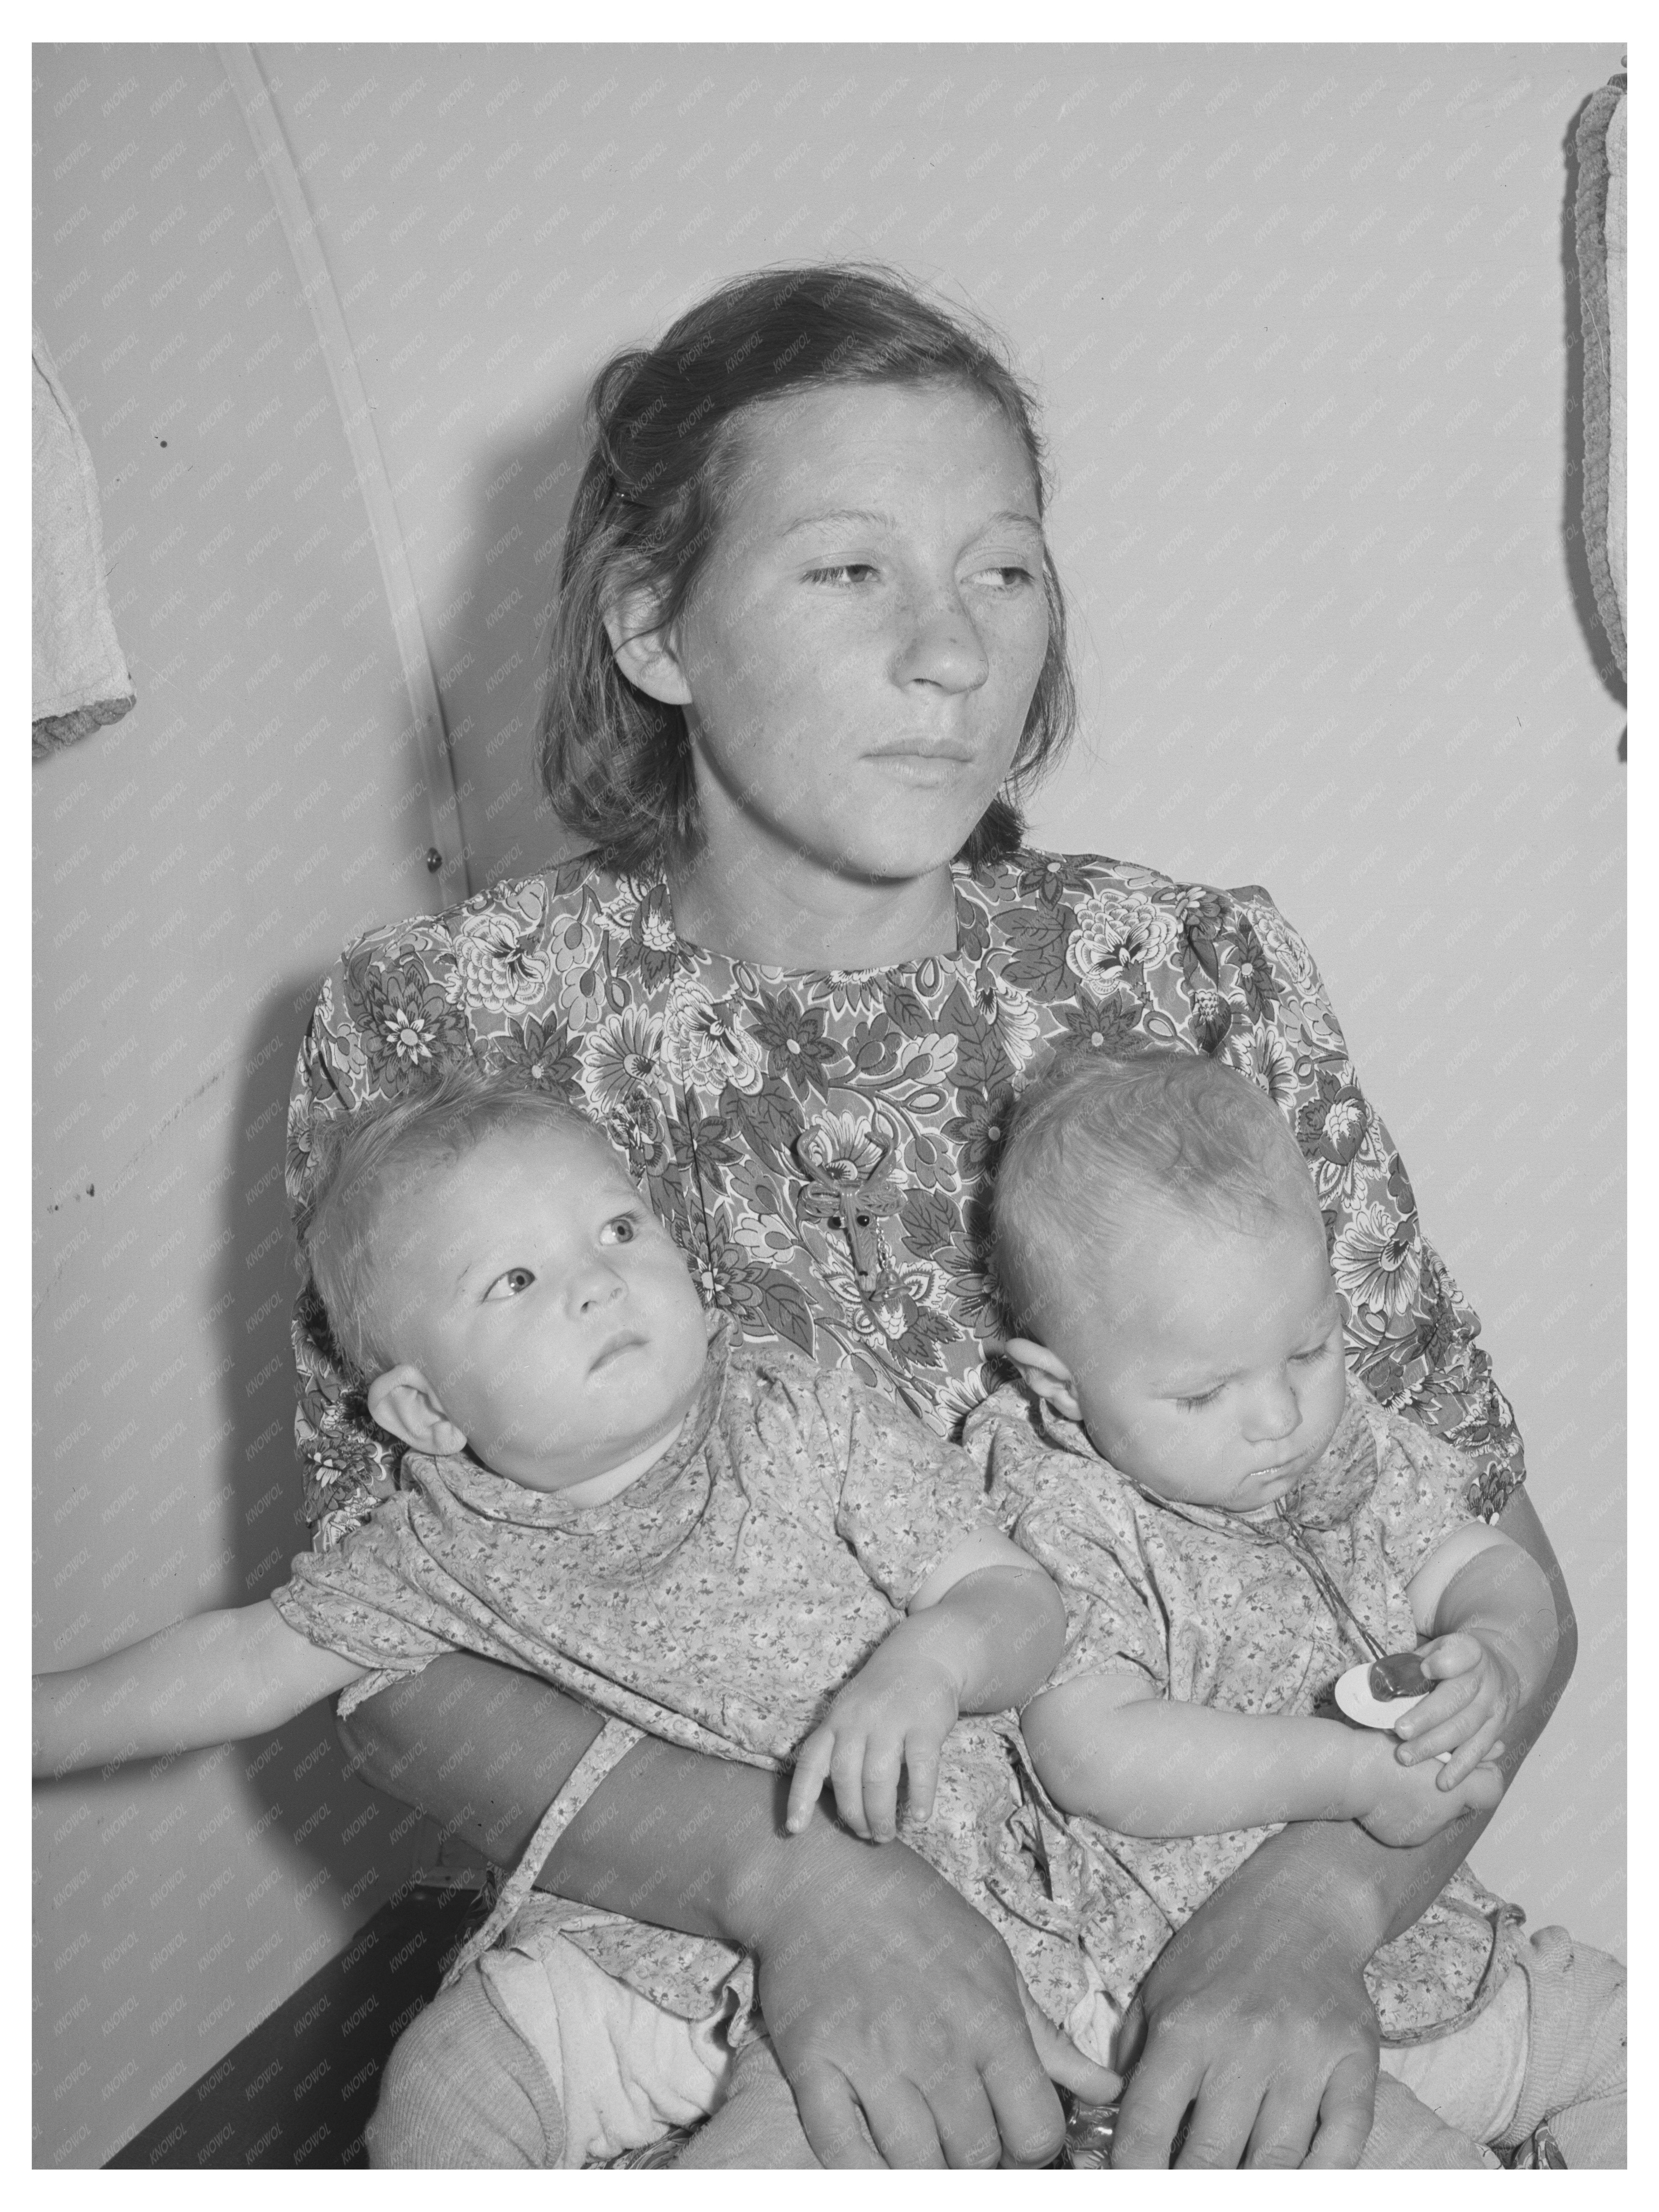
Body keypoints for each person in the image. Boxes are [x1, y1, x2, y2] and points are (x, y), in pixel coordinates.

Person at [286, 264, 1576, 2168]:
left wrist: (1311, 1913)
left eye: (1004, 568)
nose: (955, 655)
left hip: (1239, 1937)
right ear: (654, 623)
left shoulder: (1186, 971)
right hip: (696, 1994)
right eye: (848, 571)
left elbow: (1479, 1542)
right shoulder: (441, 1029)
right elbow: (373, 1658)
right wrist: (795, 1889)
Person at [33, 1076, 1109, 2167]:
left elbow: (1019, 1606)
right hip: (624, 1937)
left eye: (617, 1228)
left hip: (897, 1918)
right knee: (446, 2078)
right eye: (514, 1278)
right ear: (427, 1412)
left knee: (797, 2137)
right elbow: (235, 1665)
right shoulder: (437, 1543)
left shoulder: (797, 1410)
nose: (599, 1283)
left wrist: (933, 1661)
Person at [976, 1049, 1625, 2166]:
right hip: (1206, 2023)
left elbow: (1479, 1559)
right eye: (1204, 1392)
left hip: (1445, 1957)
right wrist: (1349, 1776)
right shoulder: (1057, 1505)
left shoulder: (1343, 1451)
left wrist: (1501, 1648)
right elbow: (1092, 1749)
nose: (1278, 1415)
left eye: (1309, 1349)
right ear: (1057, 1391)